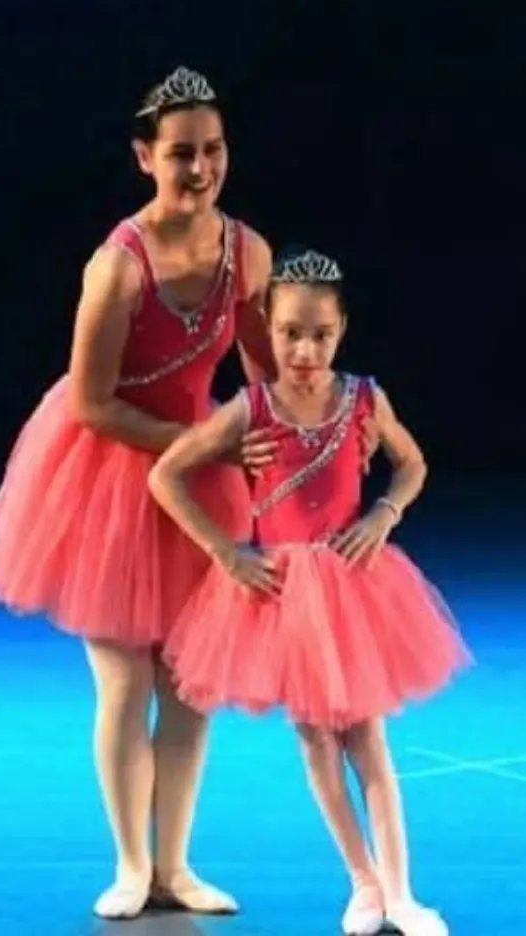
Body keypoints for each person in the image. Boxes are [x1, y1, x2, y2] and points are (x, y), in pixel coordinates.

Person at [0, 67, 292, 920]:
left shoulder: (248, 254)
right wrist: (202, 445)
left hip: (198, 474)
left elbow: (264, 377)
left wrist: (301, 439)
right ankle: (129, 864)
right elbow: (92, 403)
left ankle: (176, 867)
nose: (201, 168)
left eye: (214, 150)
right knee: (124, 680)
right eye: (182, 153)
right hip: (109, 469)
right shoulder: (117, 266)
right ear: (144, 158)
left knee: (190, 684)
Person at [149, 247, 466, 936]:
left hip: (353, 585)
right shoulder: (252, 407)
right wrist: (225, 552)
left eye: (321, 334)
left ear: (342, 329)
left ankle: (403, 894)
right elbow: (166, 475)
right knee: (316, 741)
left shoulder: (363, 399)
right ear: (267, 327)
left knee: (368, 739)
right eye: (290, 332)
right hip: (284, 595)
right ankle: (362, 883)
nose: (304, 350)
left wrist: (384, 513)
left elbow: (412, 463)